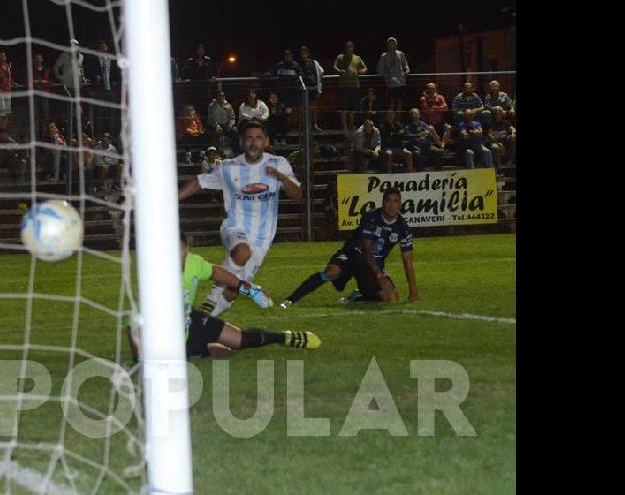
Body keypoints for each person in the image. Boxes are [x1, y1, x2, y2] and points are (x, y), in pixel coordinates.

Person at [127, 232, 320, 361]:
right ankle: (200, 349)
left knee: (241, 341)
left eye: (177, 250)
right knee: (209, 353)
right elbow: (134, 323)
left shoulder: (194, 263)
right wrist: (140, 357)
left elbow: (216, 272)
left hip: (189, 321)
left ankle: (284, 337)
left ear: (186, 250)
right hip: (165, 342)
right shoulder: (153, 280)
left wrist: (250, 290)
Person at [177, 120, 303, 316]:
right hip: (234, 226)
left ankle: (205, 317)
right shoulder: (228, 167)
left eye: (258, 138)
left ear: (266, 141)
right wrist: (172, 200)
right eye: (249, 138)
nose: (254, 143)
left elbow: (297, 195)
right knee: (243, 252)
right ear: (242, 142)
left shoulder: (279, 164)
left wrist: (282, 178)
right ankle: (213, 294)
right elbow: (198, 182)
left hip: (263, 238)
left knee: (233, 290)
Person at [279, 187, 417, 307]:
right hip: (352, 255)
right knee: (331, 273)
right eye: (388, 200)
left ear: (400, 204)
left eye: (396, 201)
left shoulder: (403, 228)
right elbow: (367, 250)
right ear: (383, 202)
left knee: (392, 299)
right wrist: (379, 275)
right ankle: (290, 300)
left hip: (371, 266)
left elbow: (408, 263)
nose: (391, 205)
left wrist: (413, 293)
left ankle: (357, 298)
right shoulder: (371, 218)